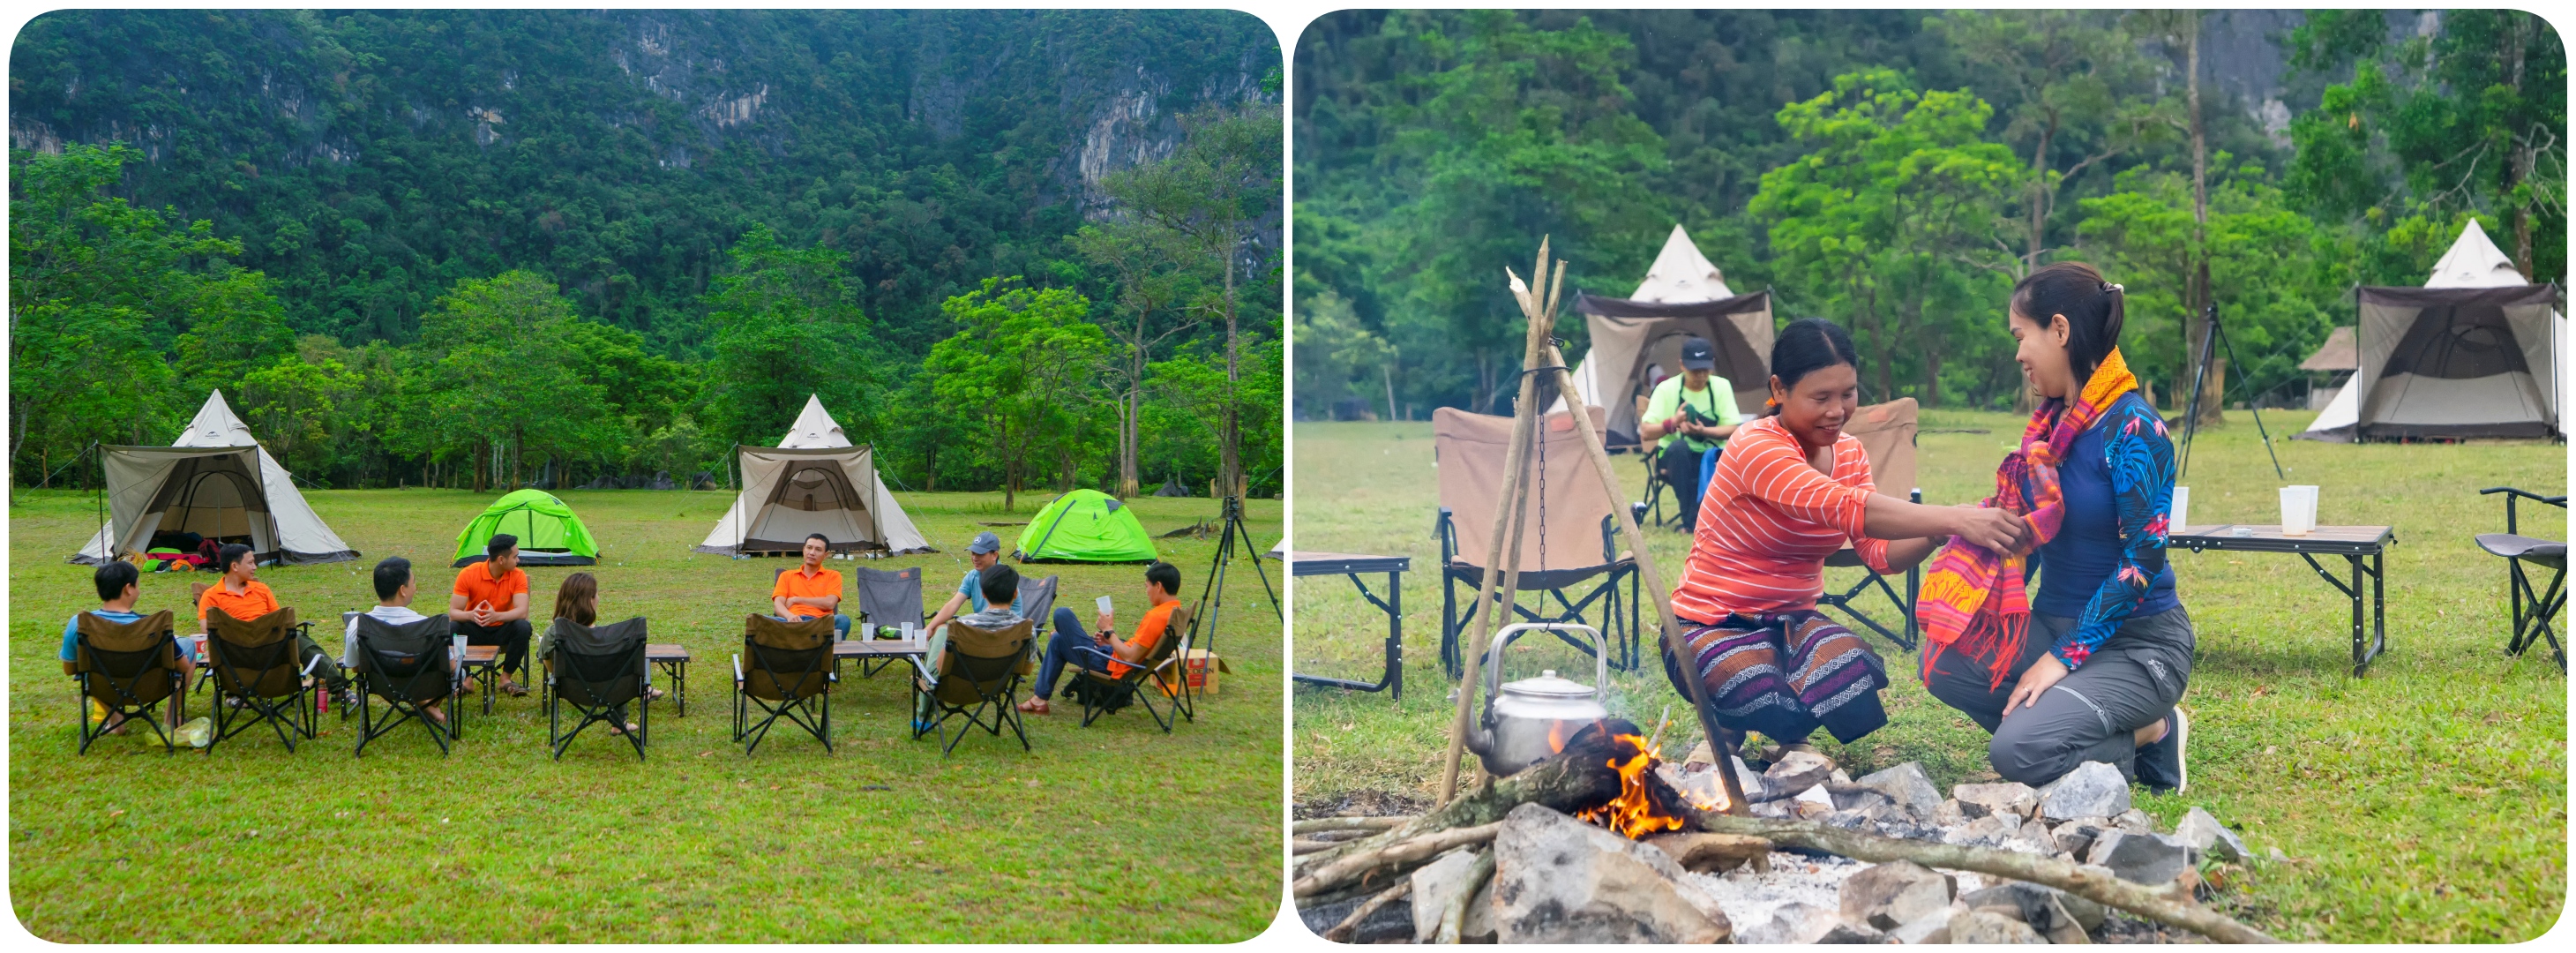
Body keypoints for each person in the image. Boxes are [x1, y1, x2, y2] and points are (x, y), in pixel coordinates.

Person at [1666, 319, 2030, 756]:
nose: (1837, 410)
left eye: (1848, 394)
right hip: (1713, 623)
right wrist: (1954, 518)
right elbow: (1841, 505)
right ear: (1779, 389)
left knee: (1847, 669)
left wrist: (1939, 530)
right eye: (1820, 397)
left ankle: (1788, 741)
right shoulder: (1755, 445)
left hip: (1789, 626)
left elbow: (1879, 553)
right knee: (1751, 682)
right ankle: (1729, 732)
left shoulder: (1850, 453)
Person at [1917, 263, 2191, 793]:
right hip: (2054, 621)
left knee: (2017, 750)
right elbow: (2036, 537)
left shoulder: (2134, 427)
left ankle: (2153, 731)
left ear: (2060, 330)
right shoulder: (2048, 432)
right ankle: (2064, 730)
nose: (2018, 354)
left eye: (2022, 337)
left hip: (2140, 645)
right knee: (1944, 661)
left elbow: (2144, 559)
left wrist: (2061, 658)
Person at [1020, 561, 1185, 716]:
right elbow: (1138, 650)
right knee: (1058, 640)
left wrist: (1108, 630)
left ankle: (1039, 699)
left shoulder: (1155, 617)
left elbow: (1130, 657)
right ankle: (1039, 700)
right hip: (1115, 656)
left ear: (1159, 586)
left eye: (1147, 586)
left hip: (1111, 665)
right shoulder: (1175, 611)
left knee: (1062, 614)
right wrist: (1110, 641)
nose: (1146, 591)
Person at [198, 542, 352, 704]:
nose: (255, 567)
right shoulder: (211, 596)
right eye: (250, 563)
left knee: (298, 639)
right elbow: (207, 630)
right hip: (237, 650)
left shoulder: (261, 589)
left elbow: (279, 621)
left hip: (269, 647)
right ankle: (235, 691)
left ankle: (339, 688)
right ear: (235, 566)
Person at [64, 560, 183, 733]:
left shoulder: (78, 624)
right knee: (187, 648)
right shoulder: (152, 627)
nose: (139, 590)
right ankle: (171, 719)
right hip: (150, 689)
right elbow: (183, 667)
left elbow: (69, 669)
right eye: (138, 586)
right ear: (128, 588)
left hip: (103, 688)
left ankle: (115, 720)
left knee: (90, 671)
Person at [1639, 336, 1743, 532]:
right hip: (1675, 459)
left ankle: (1711, 520)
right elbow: (1646, 432)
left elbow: (1733, 428)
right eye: (1695, 370)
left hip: (1710, 456)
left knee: (1729, 458)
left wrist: (1703, 431)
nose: (1700, 375)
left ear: (1712, 365)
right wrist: (1674, 423)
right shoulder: (1666, 389)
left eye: (1704, 369)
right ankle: (1691, 520)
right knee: (1680, 449)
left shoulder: (1721, 387)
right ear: (1682, 366)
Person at [343, 556, 448, 725]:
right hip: (425, 685)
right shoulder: (426, 626)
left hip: (381, 686)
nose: (416, 588)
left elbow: (356, 667)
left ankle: (424, 706)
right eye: (413, 582)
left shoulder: (357, 625)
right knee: (458, 669)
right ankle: (426, 704)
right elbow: (448, 667)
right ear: (402, 590)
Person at [549, 571, 655, 733]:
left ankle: (619, 723)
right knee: (618, 671)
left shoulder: (553, 633)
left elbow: (550, 666)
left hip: (572, 690)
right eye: (597, 594)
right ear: (590, 600)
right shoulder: (609, 639)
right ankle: (619, 722)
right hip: (613, 690)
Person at [449, 534, 534, 697]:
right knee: (451, 627)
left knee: (523, 627)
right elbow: (453, 612)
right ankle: (466, 680)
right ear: (501, 560)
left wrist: (496, 617)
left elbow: (522, 611)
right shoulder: (468, 574)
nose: (518, 561)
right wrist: (471, 615)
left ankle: (505, 678)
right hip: (475, 629)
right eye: (515, 557)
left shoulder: (518, 575)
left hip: (502, 630)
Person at [921, 531, 1005, 634]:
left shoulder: (1004, 578)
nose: (974, 558)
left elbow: (990, 614)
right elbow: (953, 604)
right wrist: (929, 628)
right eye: (973, 553)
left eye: (980, 554)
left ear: (994, 555)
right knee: (939, 628)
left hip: (1000, 634)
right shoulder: (972, 576)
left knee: (948, 632)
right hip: (981, 630)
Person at [769, 534, 851, 639]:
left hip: (820, 623)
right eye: (809, 548)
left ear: (825, 555)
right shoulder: (786, 576)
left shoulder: (833, 576)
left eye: (818, 549)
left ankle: (823, 651)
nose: (812, 553)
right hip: (791, 622)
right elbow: (778, 605)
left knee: (843, 620)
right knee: (760, 621)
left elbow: (830, 603)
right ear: (804, 550)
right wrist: (789, 616)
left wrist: (796, 600)